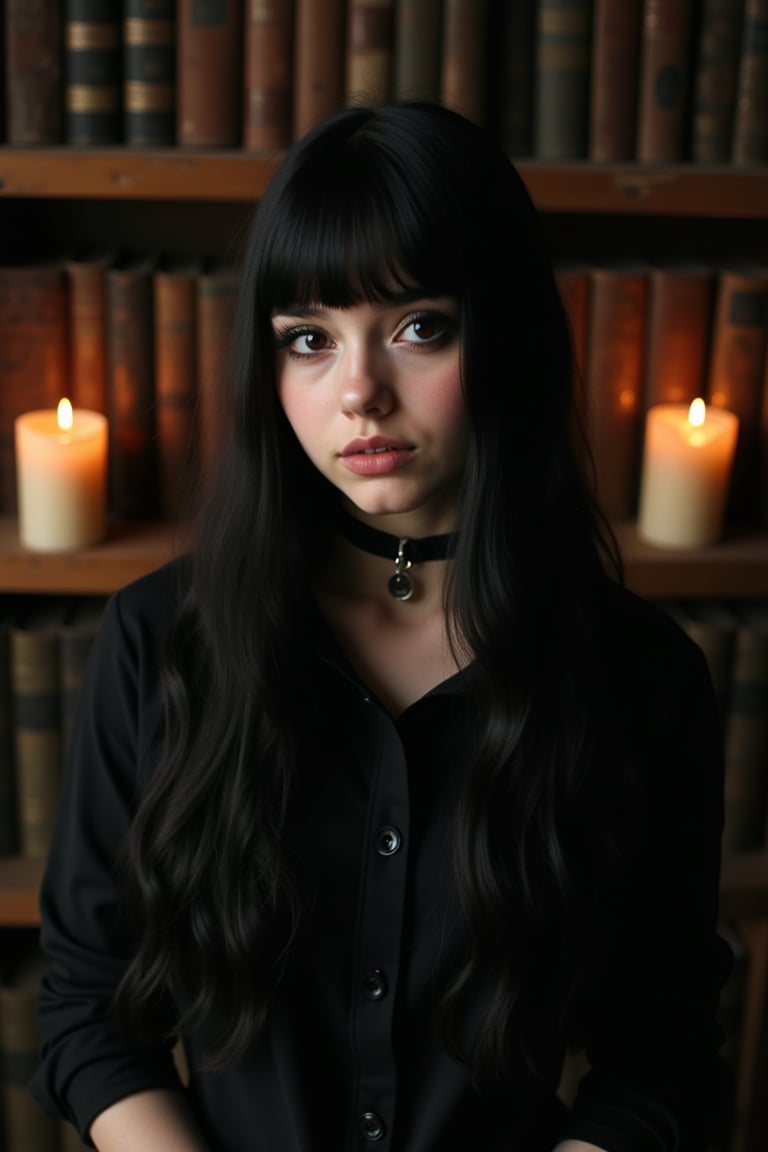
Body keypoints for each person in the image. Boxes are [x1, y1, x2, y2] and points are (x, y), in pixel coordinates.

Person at [30, 102, 732, 1152]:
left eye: (418, 327)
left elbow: (662, 1055)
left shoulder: (640, 678)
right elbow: (89, 1011)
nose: (358, 393)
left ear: (507, 336)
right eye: (307, 339)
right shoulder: (162, 639)